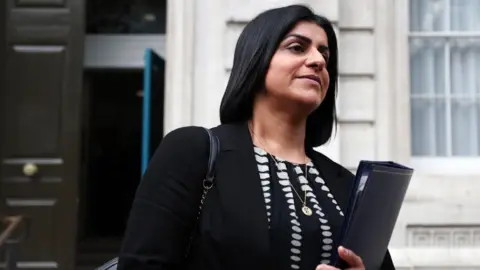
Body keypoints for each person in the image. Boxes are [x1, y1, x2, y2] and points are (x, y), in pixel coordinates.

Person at [117, 4, 395, 270]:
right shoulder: (192, 152)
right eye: (297, 47)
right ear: (257, 60)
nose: (318, 61)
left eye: (325, 55)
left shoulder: (345, 185)